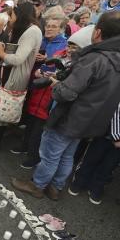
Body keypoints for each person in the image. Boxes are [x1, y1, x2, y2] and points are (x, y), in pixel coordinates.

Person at [11, 11, 120, 202]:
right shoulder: (116, 59)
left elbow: (66, 92)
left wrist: (56, 84)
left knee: (50, 154)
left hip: (70, 117)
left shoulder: (94, 59)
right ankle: (56, 187)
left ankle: (37, 185)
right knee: (67, 155)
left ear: (98, 32)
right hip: (90, 121)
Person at [0, 2, 43, 153]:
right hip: (6, 73)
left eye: (12, 15)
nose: (10, 18)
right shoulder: (24, 29)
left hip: (14, 77)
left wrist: (2, 53)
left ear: (21, 15)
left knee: (3, 110)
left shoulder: (32, 32)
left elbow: (18, 59)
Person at [13, 15, 70, 168]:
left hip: (48, 91)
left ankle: (33, 156)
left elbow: (62, 67)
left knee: (40, 124)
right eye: (48, 25)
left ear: (61, 30)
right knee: (30, 118)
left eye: (53, 26)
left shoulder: (64, 46)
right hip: (35, 86)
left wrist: (46, 60)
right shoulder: (42, 40)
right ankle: (24, 146)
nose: (49, 28)